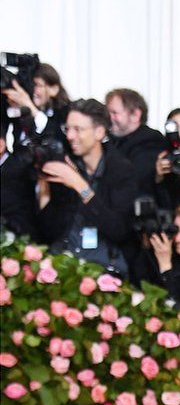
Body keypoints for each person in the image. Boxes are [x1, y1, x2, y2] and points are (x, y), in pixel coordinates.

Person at [35, 98, 135, 275]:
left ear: (99, 132)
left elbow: (119, 230)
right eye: (68, 129)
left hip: (104, 268)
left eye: (78, 129)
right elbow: (49, 229)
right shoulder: (68, 165)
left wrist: (79, 184)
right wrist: (45, 186)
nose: (70, 136)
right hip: (62, 263)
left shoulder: (121, 170)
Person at [105, 87, 167, 199]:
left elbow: (132, 178)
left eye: (114, 113)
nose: (109, 118)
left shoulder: (150, 140)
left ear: (135, 115)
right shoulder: (110, 139)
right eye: (108, 112)